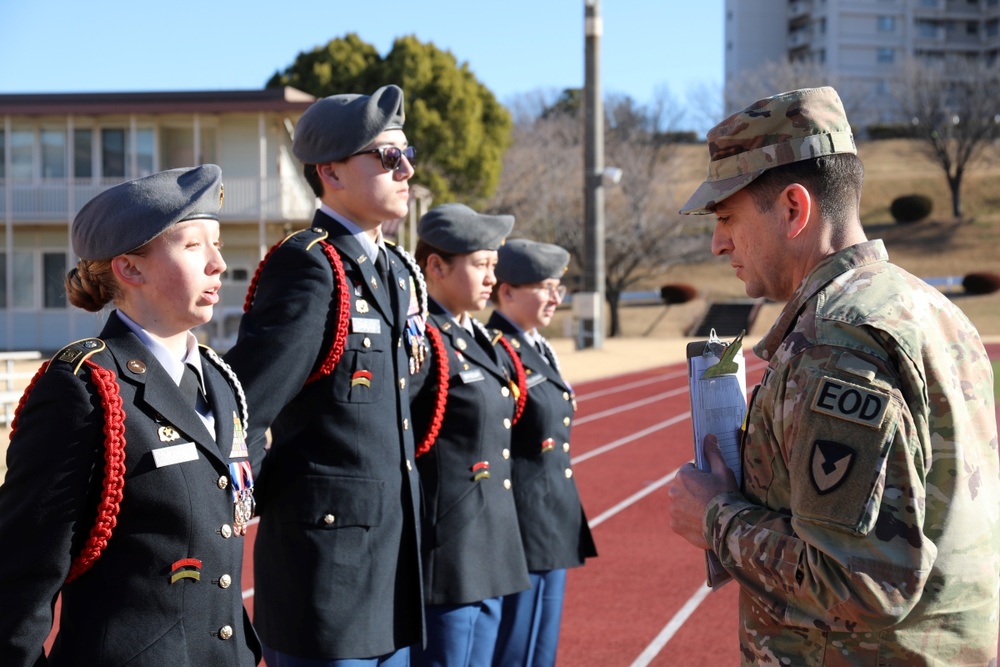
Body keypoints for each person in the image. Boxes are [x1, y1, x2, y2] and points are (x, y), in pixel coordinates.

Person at [667, 86, 1000, 665]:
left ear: (794, 209)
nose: (719, 243)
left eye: (727, 217)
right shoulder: (928, 308)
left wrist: (715, 518)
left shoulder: (836, 339)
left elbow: (865, 581)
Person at [0, 165, 264, 666]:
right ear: (130, 269)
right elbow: (20, 578)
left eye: (218, 243)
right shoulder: (85, 388)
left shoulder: (218, 381)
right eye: (193, 247)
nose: (218, 263)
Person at [223, 84, 424, 666]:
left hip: (389, 571)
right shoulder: (310, 266)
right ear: (330, 171)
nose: (406, 167)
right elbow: (244, 407)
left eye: (407, 153)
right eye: (389, 157)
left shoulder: (395, 272)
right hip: (326, 581)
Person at [408, 203, 531, 667]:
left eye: (493, 266)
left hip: (490, 544)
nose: (490, 278)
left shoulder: (480, 340)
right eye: (480, 265)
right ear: (435, 267)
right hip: (450, 552)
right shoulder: (422, 340)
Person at [484, 239, 597, 667]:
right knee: (514, 651)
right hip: (519, 525)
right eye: (545, 287)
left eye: (559, 289)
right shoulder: (496, 350)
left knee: (539, 651)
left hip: (550, 521)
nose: (555, 298)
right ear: (507, 291)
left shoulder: (537, 347)